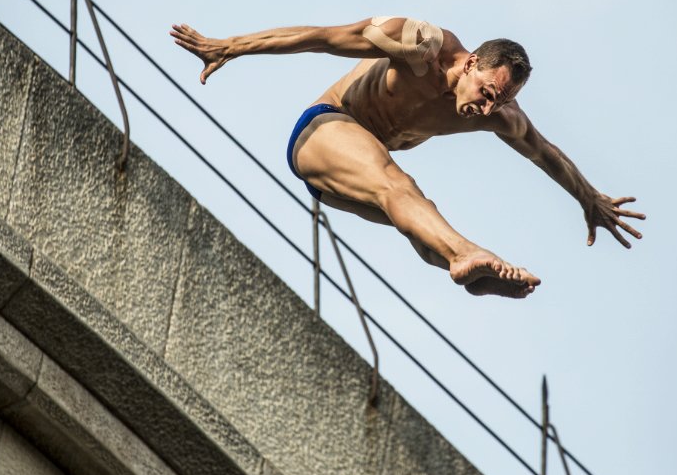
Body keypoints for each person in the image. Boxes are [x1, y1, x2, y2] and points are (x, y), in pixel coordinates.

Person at [170, 16, 644, 299]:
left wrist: (589, 199)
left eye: (498, 102)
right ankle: (465, 254)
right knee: (401, 188)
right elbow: (322, 37)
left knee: (419, 222)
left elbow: (547, 154)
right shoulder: (420, 45)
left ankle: (470, 273)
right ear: (472, 63)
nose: (487, 107)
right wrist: (229, 47)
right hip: (321, 130)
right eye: (486, 93)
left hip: (342, 184)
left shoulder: (500, 115)